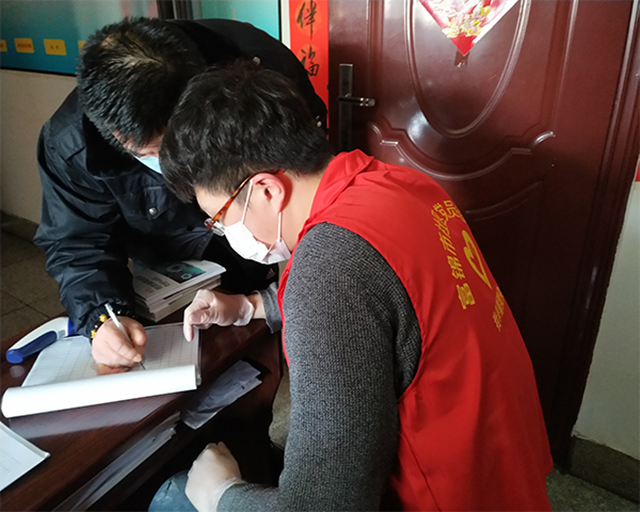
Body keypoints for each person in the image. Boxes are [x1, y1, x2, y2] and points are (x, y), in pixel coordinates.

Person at [149, 62, 553, 511]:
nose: (226, 234)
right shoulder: (397, 184)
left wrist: (221, 495)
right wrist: (249, 306)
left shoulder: (327, 268)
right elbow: (390, 301)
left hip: (444, 495)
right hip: (503, 466)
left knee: (175, 495)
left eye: (221, 219)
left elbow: (328, 506)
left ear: (266, 191)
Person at [33, 17, 326, 372]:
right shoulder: (72, 144)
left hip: (253, 235)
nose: (173, 166)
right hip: (163, 265)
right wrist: (102, 316)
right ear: (116, 135)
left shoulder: (262, 67)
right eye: (153, 153)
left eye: (181, 146)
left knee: (256, 364)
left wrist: (268, 300)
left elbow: (308, 180)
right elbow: (77, 243)